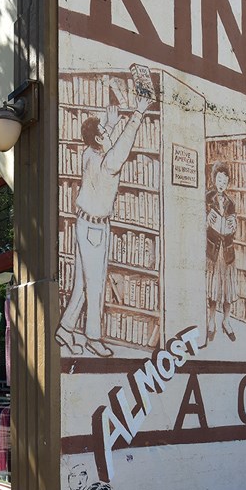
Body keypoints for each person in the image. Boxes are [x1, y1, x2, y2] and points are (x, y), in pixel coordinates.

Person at [58, 93, 152, 357]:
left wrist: (109, 124)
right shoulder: (107, 162)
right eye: (104, 132)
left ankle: (65, 329)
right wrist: (138, 114)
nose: (108, 134)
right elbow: (120, 149)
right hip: (95, 230)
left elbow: (107, 141)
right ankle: (93, 337)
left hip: (85, 223)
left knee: (81, 284)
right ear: (100, 139)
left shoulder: (90, 153)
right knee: (95, 285)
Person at [204, 162, 238, 344]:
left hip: (227, 251)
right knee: (213, 289)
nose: (221, 183)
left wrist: (234, 225)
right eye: (219, 179)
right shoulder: (207, 198)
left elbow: (234, 227)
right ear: (214, 179)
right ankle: (211, 321)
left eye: (225, 180)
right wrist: (206, 220)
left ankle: (226, 320)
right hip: (213, 250)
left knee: (228, 290)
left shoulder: (231, 202)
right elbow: (198, 223)